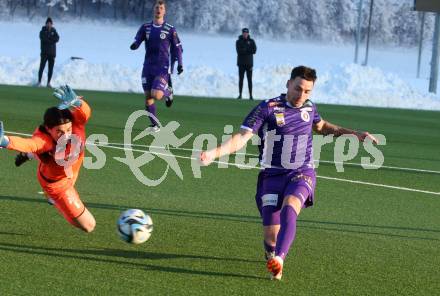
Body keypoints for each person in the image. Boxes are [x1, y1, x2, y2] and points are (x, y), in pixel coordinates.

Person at [200, 66, 378, 280]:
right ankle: (272, 252)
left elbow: (322, 127)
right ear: (288, 84)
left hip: (302, 172)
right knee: (270, 237)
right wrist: (214, 153)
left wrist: (355, 134)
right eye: (298, 89)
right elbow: (242, 137)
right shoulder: (268, 108)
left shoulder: (310, 108)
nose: (301, 95)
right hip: (272, 176)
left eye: (307, 92)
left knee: (290, 207)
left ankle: (279, 260)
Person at [0, 85, 96, 233]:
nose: (65, 135)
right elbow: (30, 144)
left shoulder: (76, 124)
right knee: (89, 226)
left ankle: (32, 156)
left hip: (71, 169)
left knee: (48, 154)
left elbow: (85, 113)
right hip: (57, 185)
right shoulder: (43, 140)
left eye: (68, 130)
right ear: (48, 129)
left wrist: (77, 102)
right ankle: (56, 201)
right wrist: (5, 141)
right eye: (59, 132)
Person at [130, 0, 183, 132]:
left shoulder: (170, 29)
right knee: (148, 97)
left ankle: (168, 91)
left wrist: (180, 64)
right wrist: (135, 45)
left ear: (164, 11)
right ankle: (155, 125)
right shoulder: (146, 27)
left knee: (157, 95)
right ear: (154, 10)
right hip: (148, 67)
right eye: (157, 7)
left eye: (161, 8)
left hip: (162, 67)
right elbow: (138, 39)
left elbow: (178, 48)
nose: (158, 9)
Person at [38, 17, 59, 88]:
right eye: (48, 23)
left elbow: (57, 38)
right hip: (44, 53)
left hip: (52, 54)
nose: (49, 25)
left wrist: (50, 39)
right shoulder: (42, 31)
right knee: (42, 67)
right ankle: (39, 82)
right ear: (46, 24)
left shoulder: (54, 31)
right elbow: (44, 39)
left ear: (52, 24)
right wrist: (51, 40)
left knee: (51, 69)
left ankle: (48, 83)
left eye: (50, 24)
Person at [236, 28, 257, 100]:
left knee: (249, 80)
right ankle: (240, 95)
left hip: (249, 64)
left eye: (246, 33)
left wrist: (245, 49)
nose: (245, 34)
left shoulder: (251, 41)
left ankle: (251, 96)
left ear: (248, 33)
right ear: (242, 33)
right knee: (241, 79)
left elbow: (254, 50)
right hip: (241, 64)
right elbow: (239, 51)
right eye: (244, 33)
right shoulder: (238, 41)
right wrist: (247, 50)